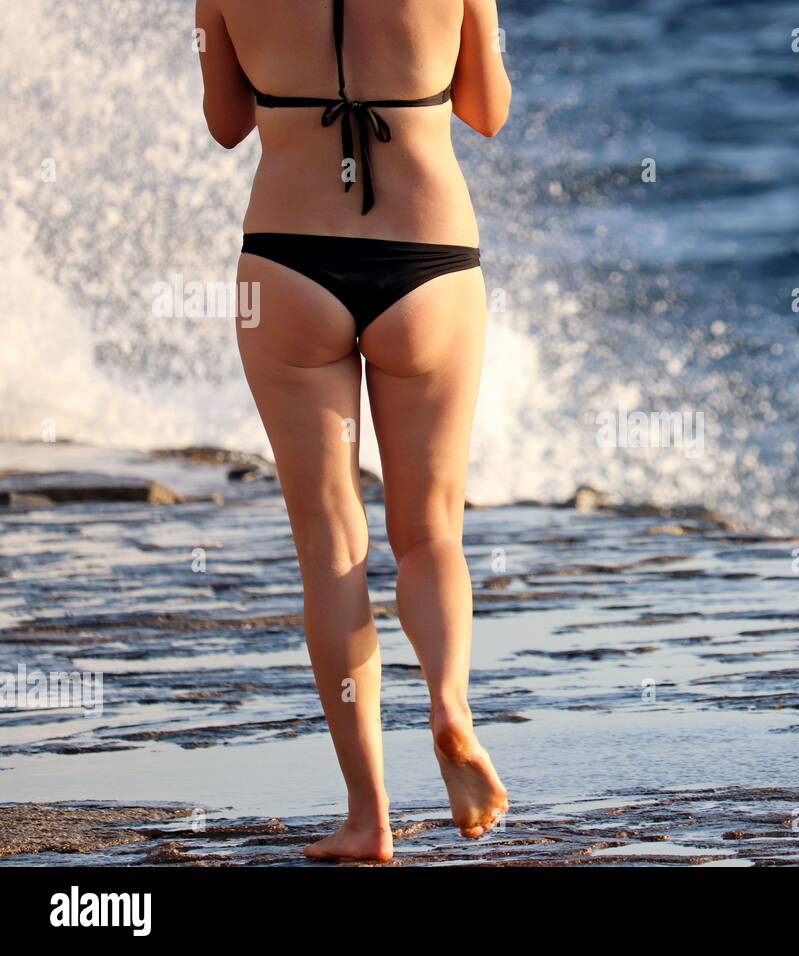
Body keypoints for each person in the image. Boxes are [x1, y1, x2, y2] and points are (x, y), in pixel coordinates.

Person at [196, 0, 511, 861]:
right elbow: (488, 110)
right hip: (430, 264)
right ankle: (450, 705)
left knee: (330, 542)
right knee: (429, 532)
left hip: (289, 267)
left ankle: (368, 819)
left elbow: (227, 124)